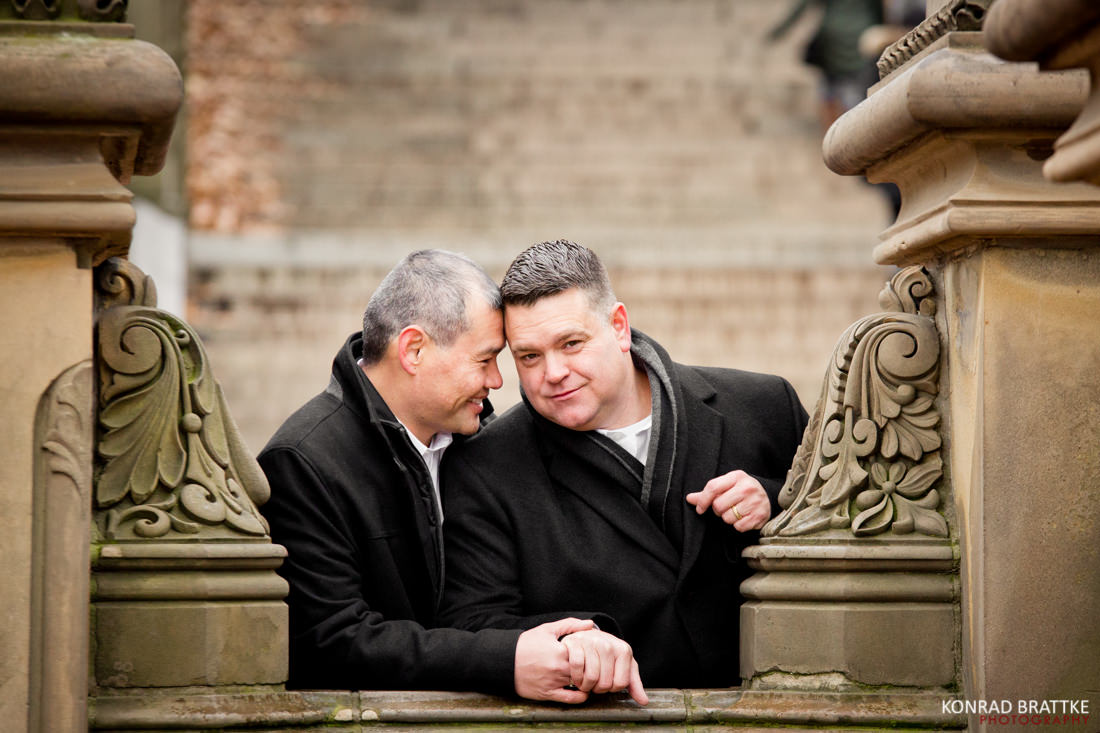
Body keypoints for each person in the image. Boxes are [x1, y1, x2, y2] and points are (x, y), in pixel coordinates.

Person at [258, 249, 646, 704]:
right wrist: (503, 661)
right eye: (484, 360)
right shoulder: (304, 462)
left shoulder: (479, 439)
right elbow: (331, 639)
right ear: (414, 350)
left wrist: (574, 640)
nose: (497, 380)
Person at [439, 240, 808, 687]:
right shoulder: (483, 466)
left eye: (571, 344)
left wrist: (776, 501)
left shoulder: (766, 407)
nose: (553, 373)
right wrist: (571, 642)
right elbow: (473, 621)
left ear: (618, 326)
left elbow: (858, 523)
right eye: (529, 356)